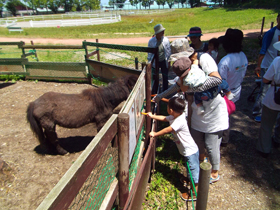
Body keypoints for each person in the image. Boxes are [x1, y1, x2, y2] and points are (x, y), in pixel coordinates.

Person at [154, 56, 228, 184]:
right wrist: (159, 96)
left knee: (212, 145)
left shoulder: (201, 67)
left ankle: (214, 172)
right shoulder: (185, 76)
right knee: (197, 140)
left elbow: (217, 80)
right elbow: (175, 87)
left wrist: (189, 88)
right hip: (198, 114)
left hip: (214, 114)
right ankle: (200, 165)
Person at [148, 97, 199, 201]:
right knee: (189, 167)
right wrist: (152, 116)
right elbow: (164, 118)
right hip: (186, 150)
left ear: (170, 110)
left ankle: (194, 193)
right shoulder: (175, 116)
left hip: (190, 151)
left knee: (193, 171)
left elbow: (168, 129)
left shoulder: (179, 121)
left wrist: (155, 134)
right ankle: (189, 180)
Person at [218, 28, 248, 147]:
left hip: (226, 93)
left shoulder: (225, 61)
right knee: (227, 114)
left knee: (222, 116)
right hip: (237, 89)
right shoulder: (243, 56)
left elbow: (220, 81)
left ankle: (223, 139)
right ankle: (224, 137)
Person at [252, 13, 280, 122]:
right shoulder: (271, 33)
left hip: (278, 65)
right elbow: (263, 50)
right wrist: (259, 66)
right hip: (268, 65)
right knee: (264, 90)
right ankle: (257, 112)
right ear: (277, 19)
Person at [256, 41, 280, 158]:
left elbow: (265, 79)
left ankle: (264, 148)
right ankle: (278, 139)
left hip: (275, 95)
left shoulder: (277, 61)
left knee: (267, 124)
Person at [147, 24, 171, 93]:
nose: (163, 33)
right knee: (156, 76)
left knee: (165, 76)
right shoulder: (151, 41)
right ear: (157, 33)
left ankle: (165, 91)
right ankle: (155, 91)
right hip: (155, 61)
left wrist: (169, 62)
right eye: (161, 31)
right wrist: (150, 63)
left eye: (163, 31)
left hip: (163, 60)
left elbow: (168, 51)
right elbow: (149, 53)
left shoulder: (166, 40)